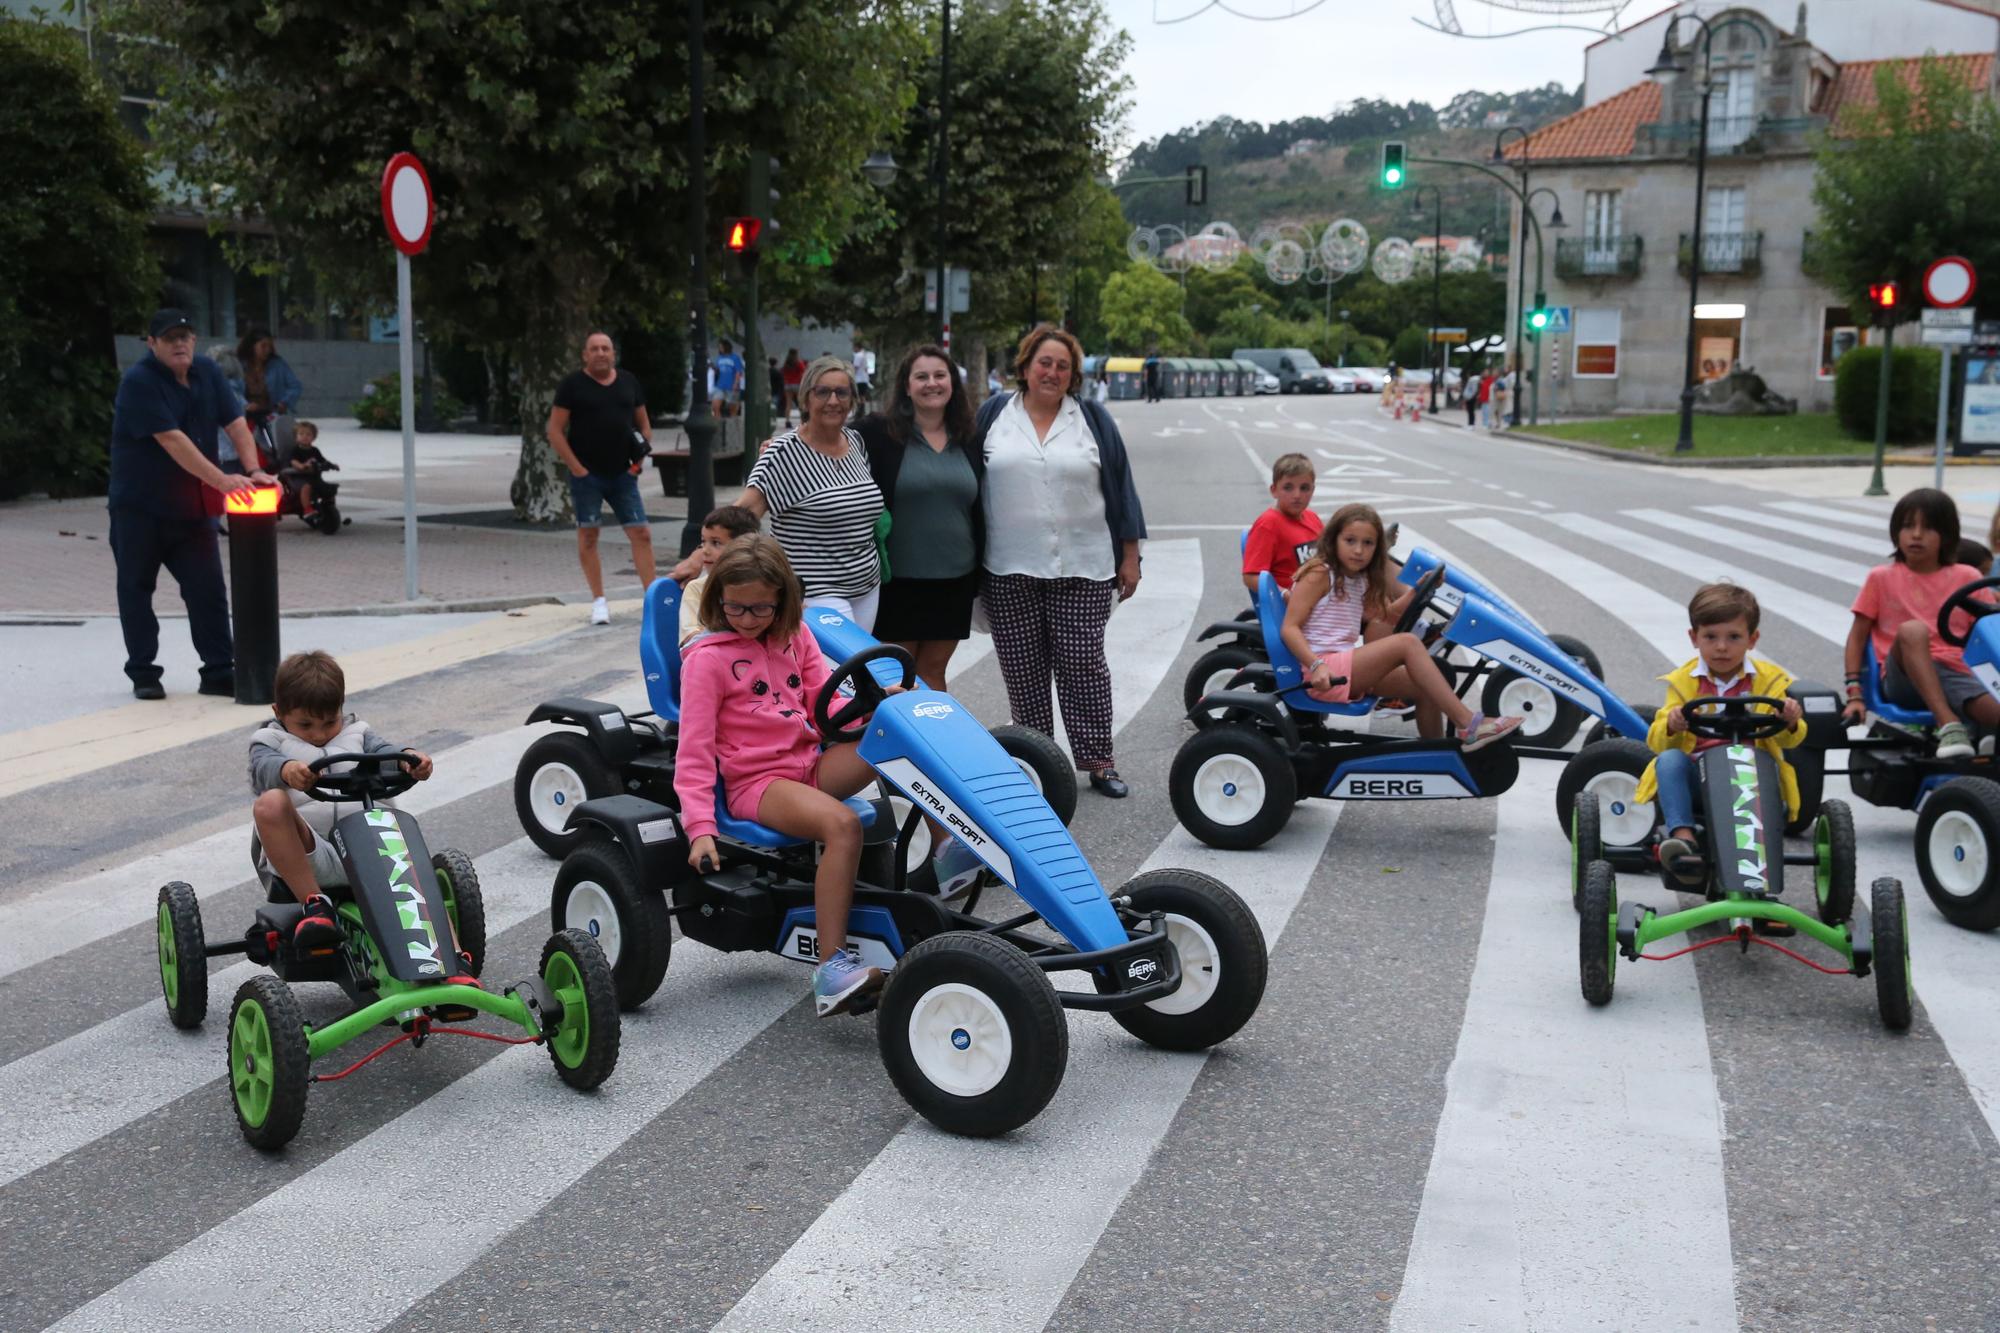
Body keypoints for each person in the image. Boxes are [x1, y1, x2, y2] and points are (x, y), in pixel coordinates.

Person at [675, 536, 898, 1016]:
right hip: (758, 783)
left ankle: (948, 852)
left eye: (761, 609)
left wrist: (877, 706)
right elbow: (692, 751)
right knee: (842, 825)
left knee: (900, 738)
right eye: (735, 608)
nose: (748, 620)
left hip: (810, 763)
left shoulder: (795, 636)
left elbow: (826, 708)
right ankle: (832, 972)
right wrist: (699, 828)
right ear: (718, 600)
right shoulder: (707, 660)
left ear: (783, 601)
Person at [973, 324, 1145, 798]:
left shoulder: (1092, 418)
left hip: (1084, 565)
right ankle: (1038, 762)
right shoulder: (994, 415)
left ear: (1073, 376)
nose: (1052, 372)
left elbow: (1121, 486)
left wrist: (1130, 554)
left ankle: (1099, 762)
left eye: (1062, 366)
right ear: (1025, 367)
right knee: (1023, 670)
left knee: (1083, 665)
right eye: (1043, 363)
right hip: (1008, 567)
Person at [109, 309, 273, 700]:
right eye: (169, 338)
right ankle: (144, 673)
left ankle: (217, 671)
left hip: (193, 510)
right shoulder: (139, 382)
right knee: (136, 589)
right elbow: (172, 440)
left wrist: (253, 470)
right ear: (152, 345)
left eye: (185, 336)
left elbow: (235, 423)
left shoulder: (207, 372)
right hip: (140, 508)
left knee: (208, 591)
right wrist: (223, 480)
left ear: (195, 341)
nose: (179, 344)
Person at [248, 650, 444, 957]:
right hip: (311, 853)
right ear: (279, 712)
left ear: (341, 709)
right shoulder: (270, 743)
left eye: (329, 722)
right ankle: (316, 907)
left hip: (367, 846)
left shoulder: (358, 734)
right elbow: (263, 768)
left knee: (416, 882)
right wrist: (287, 770)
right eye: (306, 724)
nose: (319, 734)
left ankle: (453, 958)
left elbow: (385, 754)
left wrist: (409, 760)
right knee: (269, 803)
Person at [1281, 503, 1521, 749]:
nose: (1358, 550)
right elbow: (1289, 627)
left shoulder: (1356, 579)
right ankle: (1469, 725)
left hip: (1342, 667)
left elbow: (1385, 617)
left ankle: (1437, 756)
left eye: (1368, 543)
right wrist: (1317, 665)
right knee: (1407, 643)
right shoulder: (1320, 574)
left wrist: (1418, 589)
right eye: (1350, 540)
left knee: (1426, 684)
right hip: (1323, 673)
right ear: (1334, 539)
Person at [1631, 584, 1807, 901]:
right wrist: (1672, 724)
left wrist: (1790, 719)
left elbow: (1789, 737)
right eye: (1711, 637)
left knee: (1760, 771)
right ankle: (1683, 841)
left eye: (1733, 637)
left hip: (1752, 778)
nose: (1722, 648)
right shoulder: (1685, 682)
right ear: (1694, 638)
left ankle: (1756, 881)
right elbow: (1657, 740)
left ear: (1752, 640)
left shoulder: (1769, 681)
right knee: (1668, 761)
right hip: (1700, 777)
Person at [858, 345, 984, 690]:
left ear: (953, 384)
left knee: (932, 674)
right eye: (922, 376)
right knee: (895, 675)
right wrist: (779, 446)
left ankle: (929, 744)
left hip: (955, 580)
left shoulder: (970, 437)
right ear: (907, 386)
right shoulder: (879, 433)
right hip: (898, 582)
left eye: (940, 375)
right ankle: (893, 745)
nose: (932, 383)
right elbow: (825, 439)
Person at [1842, 488, 1994, 758]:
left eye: (1928, 528)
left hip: (1958, 673)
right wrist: (1855, 694)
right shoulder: (1881, 578)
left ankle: (1983, 741)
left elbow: (1990, 628)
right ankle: (1949, 725)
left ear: (1946, 535)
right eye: (1908, 526)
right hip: (1903, 677)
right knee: (1913, 630)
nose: (1916, 535)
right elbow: (1857, 637)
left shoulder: (1967, 575)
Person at [741, 356, 885, 627]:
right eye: (822, 392)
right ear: (805, 399)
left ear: (852, 400)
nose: (833, 401)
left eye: (842, 392)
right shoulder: (782, 453)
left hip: (866, 587)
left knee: (857, 667)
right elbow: (743, 514)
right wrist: (707, 555)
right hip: (815, 593)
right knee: (838, 668)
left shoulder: (855, 442)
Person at [548, 331, 656, 625]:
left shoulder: (628, 382)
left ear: (613, 353)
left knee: (641, 533)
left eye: (605, 348)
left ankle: (652, 600)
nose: (600, 353)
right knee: (588, 535)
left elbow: (644, 427)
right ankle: (599, 601)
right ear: (585, 354)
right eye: (594, 349)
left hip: (624, 474)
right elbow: (555, 430)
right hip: (587, 477)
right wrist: (576, 468)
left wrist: (638, 463)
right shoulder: (572, 385)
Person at [675, 504, 762, 647]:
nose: (705, 551)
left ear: (745, 547)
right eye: (703, 542)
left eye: (716, 543)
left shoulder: (762, 585)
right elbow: (689, 639)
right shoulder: (697, 589)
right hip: (713, 659)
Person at [1243, 453, 1322, 594]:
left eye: (1304, 488)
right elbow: (1251, 577)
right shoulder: (1268, 524)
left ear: (1312, 490)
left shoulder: (1313, 518)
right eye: (1288, 488)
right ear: (1274, 490)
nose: (1297, 495)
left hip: (1318, 597)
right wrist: (1283, 594)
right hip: (1294, 606)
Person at [236, 326, 305, 421]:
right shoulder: (238, 364)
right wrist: (245, 404)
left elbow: (295, 386)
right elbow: (231, 389)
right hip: (243, 416)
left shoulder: (277, 364)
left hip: (271, 415)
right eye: (263, 346)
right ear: (252, 346)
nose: (267, 350)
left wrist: (284, 402)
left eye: (270, 346)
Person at [280, 419, 332, 517]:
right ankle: (307, 509)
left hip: (312, 476)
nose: (305, 437)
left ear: (313, 438)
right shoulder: (295, 450)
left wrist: (330, 465)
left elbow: (322, 460)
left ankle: (328, 506)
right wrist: (301, 466)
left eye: (308, 434)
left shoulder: (315, 450)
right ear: (296, 437)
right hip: (297, 477)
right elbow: (293, 461)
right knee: (306, 487)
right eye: (301, 434)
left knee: (328, 488)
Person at [713, 338, 744, 417]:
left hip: (732, 385)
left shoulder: (735, 358)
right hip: (720, 385)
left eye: (721, 347)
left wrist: (735, 383)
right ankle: (718, 423)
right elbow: (717, 370)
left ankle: (732, 425)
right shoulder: (719, 358)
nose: (720, 349)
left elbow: (738, 372)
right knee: (715, 406)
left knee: (732, 408)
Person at [781, 348, 806, 423]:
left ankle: (787, 420)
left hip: (788, 384)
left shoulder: (786, 363)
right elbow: (803, 372)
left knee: (788, 404)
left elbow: (782, 372)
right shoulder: (798, 363)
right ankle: (803, 420)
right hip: (797, 384)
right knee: (800, 402)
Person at [850, 336, 875, 409]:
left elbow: (856, 367)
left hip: (858, 379)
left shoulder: (858, 356)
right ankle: (862, 410)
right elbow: (866, 368)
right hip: (864, 379)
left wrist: (851, 375)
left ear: (857, 347)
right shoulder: (864, 355)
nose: (853, 349)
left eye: (854, 347)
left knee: (857, 395)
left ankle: (859, 411)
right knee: (862, 396)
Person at [1488, 366, 1511, 433]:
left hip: (1498, 398)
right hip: (1494, 397)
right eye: (1493, 372)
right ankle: (1497, 423)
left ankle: (1498, 423)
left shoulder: (1500, 380)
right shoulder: (1494, 380)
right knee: (1496, 411)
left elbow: (1503, 387)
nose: (1493, 373)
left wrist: (1497, 388)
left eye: (1495, 372)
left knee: (1498, 410)